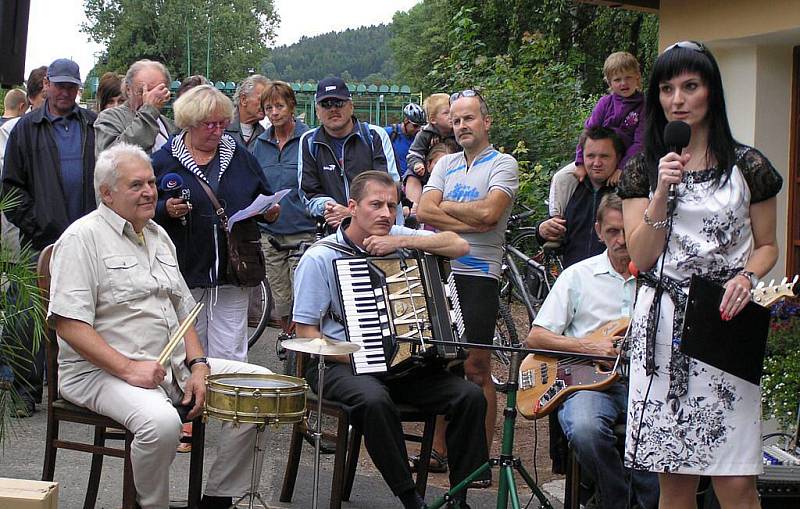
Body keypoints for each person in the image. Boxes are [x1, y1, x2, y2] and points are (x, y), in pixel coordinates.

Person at [48, 143, 272, 509]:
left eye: (151, 182)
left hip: (168, 366)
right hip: (97, 372)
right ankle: (153, 505)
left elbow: (183, 312)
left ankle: (217, 499)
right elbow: (69, 325)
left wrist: (199, 365)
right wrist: (129, 369)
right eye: (136, 185)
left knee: (258, 387)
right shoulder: (80, 239)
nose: (150, 191)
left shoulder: (156, 235)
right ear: (106, 193)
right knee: (162, 424)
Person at [618, 41, 782, 509]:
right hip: (663, 326)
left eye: (690, 86)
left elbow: (768, 245)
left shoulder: (748, 166)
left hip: (726, 319)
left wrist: (747, 276)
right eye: (667, 88)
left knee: (735, 479)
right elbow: (642, 257)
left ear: (711, 92)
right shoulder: (644, 169)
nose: (678, 99)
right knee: (676, 477)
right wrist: (661, 192)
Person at [293, 170, 489, 509]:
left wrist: (400, 242)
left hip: (403, 365)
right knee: (373, 400)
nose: (386, 214)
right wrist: (360, 353)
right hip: (339, 364)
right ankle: (409, 497)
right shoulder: (321, 257)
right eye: (376, 205)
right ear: (353, 207)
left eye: (392, 206)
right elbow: (305, 333)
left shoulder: (396, 235)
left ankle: (460, 497)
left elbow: (460, 244)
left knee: (469, 396)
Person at [526, 193, 658, 509]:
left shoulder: (659, 278)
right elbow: (536, 337)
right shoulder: (578, 276)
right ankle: (619, 501)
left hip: (647, 384)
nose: (621, 239)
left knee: (660, 437)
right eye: (612, 231)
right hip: (586, 383)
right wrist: (589, 346)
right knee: (585, 429)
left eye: (627, 230)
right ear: (598, 231)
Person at [417, 89, 518, 472]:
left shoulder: (503, 164)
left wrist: (448, 210)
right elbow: (423, 208)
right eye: (456, 120)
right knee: (443, 365)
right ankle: (440, 451)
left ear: (486, 121)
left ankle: (478, 460)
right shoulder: (445, 164)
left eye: (469, 118)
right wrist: (469, 221)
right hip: (442, 272)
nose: (461, 126)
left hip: (479, 274)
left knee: (476, 368)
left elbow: (492, 214)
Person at [152, 84, 278, 363]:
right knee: (187, 346)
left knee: (231, 347)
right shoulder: (164, 160)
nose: (218, 132)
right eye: (210, 125)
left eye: (222, 124)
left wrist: (268, 211)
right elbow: (144, 206)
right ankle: (191, 401)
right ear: (190, 122)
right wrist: (165, 208)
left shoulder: (240, 156)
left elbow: (264, 196)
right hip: (184, 267)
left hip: (233, 268)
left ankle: (228, 402)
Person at [1, 58, 98, 417]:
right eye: (59, 86)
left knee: (85, 316)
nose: (65, 93)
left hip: (87, 240)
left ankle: (76, 391)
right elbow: (11, 189)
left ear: (79, 89)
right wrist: (40, 225)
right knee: (30, 317)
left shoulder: (91, 125)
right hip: (40, 240)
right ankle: (26, 393)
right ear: (47, 87)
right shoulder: (26, 128)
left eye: (71, 87)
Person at [548, 52, 644, 220]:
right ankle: (556, 220)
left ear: (637, 76)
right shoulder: (605, 103)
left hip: (628, 160)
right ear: (609, 82)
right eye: (617, 80)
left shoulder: (644, 106)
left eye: (628, 77)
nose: (623, 83)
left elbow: (639, 142)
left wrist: (622, 167)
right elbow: (588, 132)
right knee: (561, 177)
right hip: (599, 154)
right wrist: (580, 162)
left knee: (634, 186)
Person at [252, 81, 313, 334]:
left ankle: (305, 350)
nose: (274, 113)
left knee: (304, 296)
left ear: (292, 107)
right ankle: (290, 347)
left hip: (303, 229)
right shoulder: (261, 144)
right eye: (268, 108)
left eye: (279, 106)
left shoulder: (308, 139)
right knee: (282, 299)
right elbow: (255, 184)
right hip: (271, 232)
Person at [298, 76, 399, 230]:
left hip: (380, 231)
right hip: (335, 231)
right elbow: (308, 192)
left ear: (351, 106)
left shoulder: (374, 136)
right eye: (326, 104)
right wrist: (329, 207)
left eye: (339, 103)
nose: (333, 109)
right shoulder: (308, 141)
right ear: (317, 111)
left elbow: (390, 187)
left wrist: (352, 213)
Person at [536, 126, 624, 268]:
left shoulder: (627, 193)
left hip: (615, 280)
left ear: (618, 157)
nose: (596, 163)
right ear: (582, 156)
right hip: (574, 279)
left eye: (604, 156)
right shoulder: (571, 187)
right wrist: (541, 231)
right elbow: (556, 232)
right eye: (590, 156)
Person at [94, 59, 178, 155]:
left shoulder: (171, 126)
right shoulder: (109, 117)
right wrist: (149, 111)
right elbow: (111, 158)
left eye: (156, 92)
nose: (148, 97)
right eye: (141, 91)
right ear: (128, 89)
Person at [404, 93, 457, 209]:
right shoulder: (425, 134)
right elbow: (413, 153)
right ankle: (414, 206)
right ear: (433, 120)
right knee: (412, 175)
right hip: (428, 171)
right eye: (446, 113)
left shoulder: (458, 132)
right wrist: (417, 164)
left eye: (453, 112)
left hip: (454, 170)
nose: (451, 116)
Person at [226, 74, 269, 152]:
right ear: (243, 100)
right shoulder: (221, 129)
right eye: (262, 99)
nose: (266, 104)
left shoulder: (265, 136)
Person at [385, 102, 425, 175]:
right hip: (393, 181)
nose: (418, 129)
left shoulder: (420, 138)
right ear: (406, 121)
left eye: (421, 127)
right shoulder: (389, 133)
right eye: (415, 126)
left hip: (411, 180)